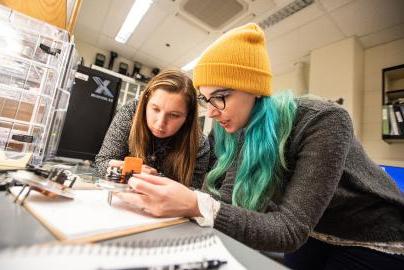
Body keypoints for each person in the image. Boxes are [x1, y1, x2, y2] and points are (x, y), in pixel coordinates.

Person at [118, 24, 404, 269]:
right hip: (315, 232)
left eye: (220, 96)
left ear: (254, 88)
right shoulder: (232, 127)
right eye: (206, 100)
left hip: (374, 238)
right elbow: (224, 200)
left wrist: (195, 204)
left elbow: (289, 228)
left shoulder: (324, 120)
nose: (213, 111)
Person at [95, 69, 210, 190]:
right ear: (145, 103)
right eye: (155, 109)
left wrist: (148, 180)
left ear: (188, 117)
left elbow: (191, 193)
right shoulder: (130, 113)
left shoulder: (199, 144)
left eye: (174, 115)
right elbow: (102, 163)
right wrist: (132, 173)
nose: (160, 123)